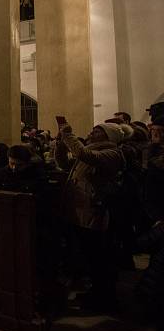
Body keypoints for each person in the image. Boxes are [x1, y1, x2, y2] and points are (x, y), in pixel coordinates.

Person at [55, 121, 125, 312]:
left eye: (97, 131)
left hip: (93, 211)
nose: (91, 132)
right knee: (87, 254)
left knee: (97, 257)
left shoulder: (112, 153)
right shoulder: (89, 149)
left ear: (109, 137)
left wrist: (68, 136)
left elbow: (84, 154)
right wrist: (61, 144)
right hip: (80, 210)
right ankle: (95, 292)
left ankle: (104, 298)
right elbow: (63, 163)